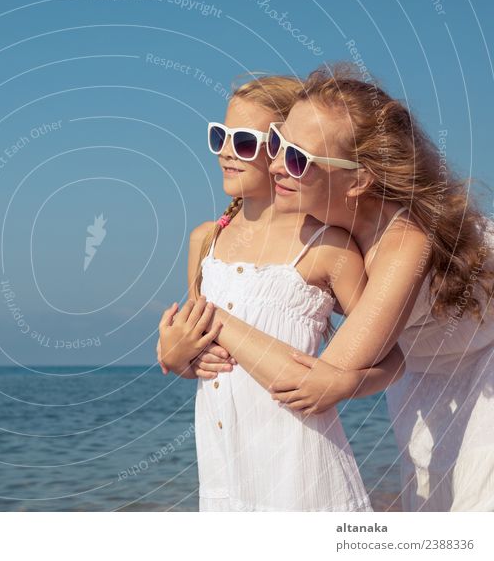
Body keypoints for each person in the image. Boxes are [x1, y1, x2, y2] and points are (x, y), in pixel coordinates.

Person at [162, 64, 494, 511]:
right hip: (425, 369)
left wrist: (217, 316)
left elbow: (310, 382)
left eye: (297, 158)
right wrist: (179, 350)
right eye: (277, 143)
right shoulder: (315, 222)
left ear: (357, 181)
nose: (276, 163)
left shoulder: (403, 243)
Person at [158, 74, 394, 511]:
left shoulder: (327, 247)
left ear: (283, 149)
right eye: (220, 136)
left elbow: (392, 357)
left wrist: (342, 384)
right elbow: (196, 350)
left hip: (301, 472)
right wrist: (176, 358)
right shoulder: (205, 240)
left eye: (245, 141)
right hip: (225, 474)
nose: (227, 151)